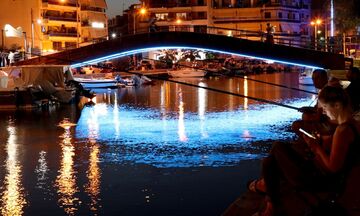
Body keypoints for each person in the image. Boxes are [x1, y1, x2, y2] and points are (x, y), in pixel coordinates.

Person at [248, 86, 360, 216]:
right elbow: (339, 146)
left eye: (324, 108)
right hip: (334, 178)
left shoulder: (343, 130)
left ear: (336, 105)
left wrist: (316, 147)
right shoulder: (354, 124)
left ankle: (270, 198)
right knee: (269, 161)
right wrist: (321, 140)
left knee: (278, 147)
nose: (323, 112)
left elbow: (333, 167)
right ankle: (271, 202)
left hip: (325, 182)